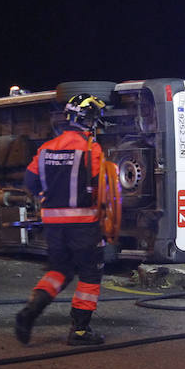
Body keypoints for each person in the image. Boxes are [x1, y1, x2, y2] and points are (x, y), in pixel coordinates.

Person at [15, 93, 109, 345]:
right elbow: (101, 189)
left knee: (59, 271)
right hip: (84, 225)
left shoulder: (46, 149)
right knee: (90, 274)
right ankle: (80, 331)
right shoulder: (91, 149)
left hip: (54, 226)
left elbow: (30, 182)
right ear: (88, 120)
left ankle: (29, 314)